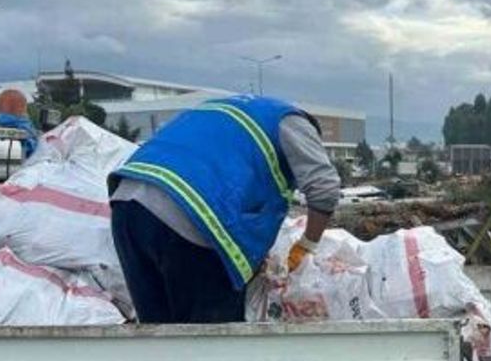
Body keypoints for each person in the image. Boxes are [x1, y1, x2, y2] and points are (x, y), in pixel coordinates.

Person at [107, 94, 341, 323]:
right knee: (213, 342)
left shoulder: (226, 111)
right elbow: (324, 187)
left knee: (156, 336)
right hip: (189, 211)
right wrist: (307, 246)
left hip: (127, 205)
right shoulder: (293, 122)